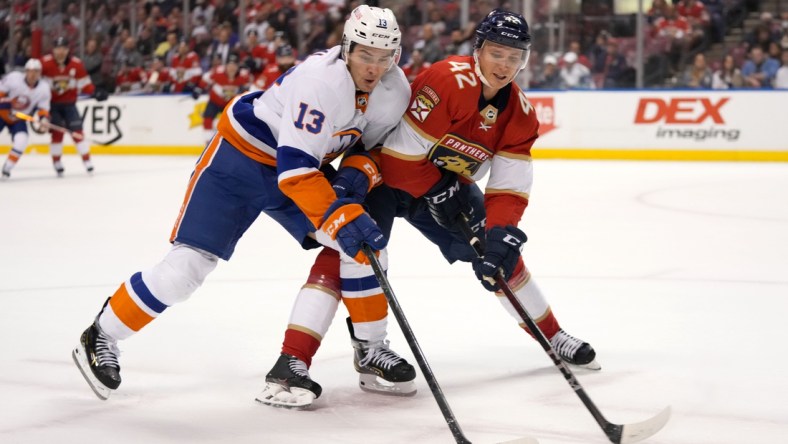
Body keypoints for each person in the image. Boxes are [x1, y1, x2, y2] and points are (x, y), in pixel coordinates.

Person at [71, 5, 413, 404]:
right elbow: (296, 173)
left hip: (296, 169)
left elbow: (371, 148)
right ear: (346, 48)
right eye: (364, 54)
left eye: (383, 57)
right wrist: (339, 213)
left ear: (396, 56)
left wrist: (357, 173)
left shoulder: (394, 91)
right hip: (239, 161)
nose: (373, 67)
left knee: (364, 246)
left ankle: (369, 349)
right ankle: (102, 334)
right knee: (186, 270)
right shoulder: (320, 82)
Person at [261, 8, 599, 410]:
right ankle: (293, 359)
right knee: (351, 252)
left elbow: (509, 187)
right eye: (496, 53)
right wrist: (441, 189)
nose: (504, 65)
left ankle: (553, 335)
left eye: (514, 56)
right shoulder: (447, 80)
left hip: (443, 187)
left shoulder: (521, 115)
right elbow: (401, 162)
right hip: (379, 175)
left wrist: (501, 229)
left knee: (500, 254)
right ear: (478, 51)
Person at [40, 36, 108, 177]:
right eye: (58, 48)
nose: (61, 52)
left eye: (64, 49)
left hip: (69, 105)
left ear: (67, 50)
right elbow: (35, 83)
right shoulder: (44, 64)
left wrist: (96, 92)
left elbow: (85, 85)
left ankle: (87, 161)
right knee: (57, 134)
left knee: (78, 133)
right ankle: (57, 162)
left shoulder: (76, 65)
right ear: (53, 50)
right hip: (52, 106)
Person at [1, 59, 51, 179]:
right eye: (30, 71)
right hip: (2, 114)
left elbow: (43, 108)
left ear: (40, 73)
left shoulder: (44, 88)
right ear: (26, 71)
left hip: (19, 119)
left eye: (36, 71)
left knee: (22, 140)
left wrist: (44, 119)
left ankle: (7, 167)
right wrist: (6, 104)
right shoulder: (14, 78)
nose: (33, 74)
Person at [191, 53, 252, 143]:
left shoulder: (244, 75)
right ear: (225, 66)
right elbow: (206, 78)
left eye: (234, 65)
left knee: (237, 121)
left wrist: (246, 89)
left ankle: (235, 142)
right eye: (230, 65)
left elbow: (252, 86)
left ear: (238, 66)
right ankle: (208, 143)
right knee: (207, 118)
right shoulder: (217, 71)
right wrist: (199, 89)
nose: (232, 68)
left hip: (231, 104)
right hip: (215, 101)